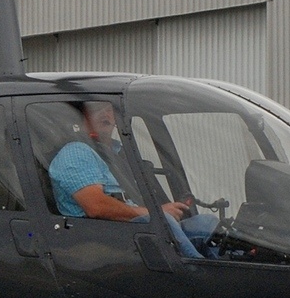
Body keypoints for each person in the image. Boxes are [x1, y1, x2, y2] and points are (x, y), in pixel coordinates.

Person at [48, 101, 217, 258]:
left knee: (205, 223)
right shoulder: (76, 152)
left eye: (110, 109)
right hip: (98, 237)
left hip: (127, 231)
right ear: (82, 115)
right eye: (97, 108)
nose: (105, 114)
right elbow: (96, 207)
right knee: (163, 222)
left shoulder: (117, 153)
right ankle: (201, 277)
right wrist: (157, 213)